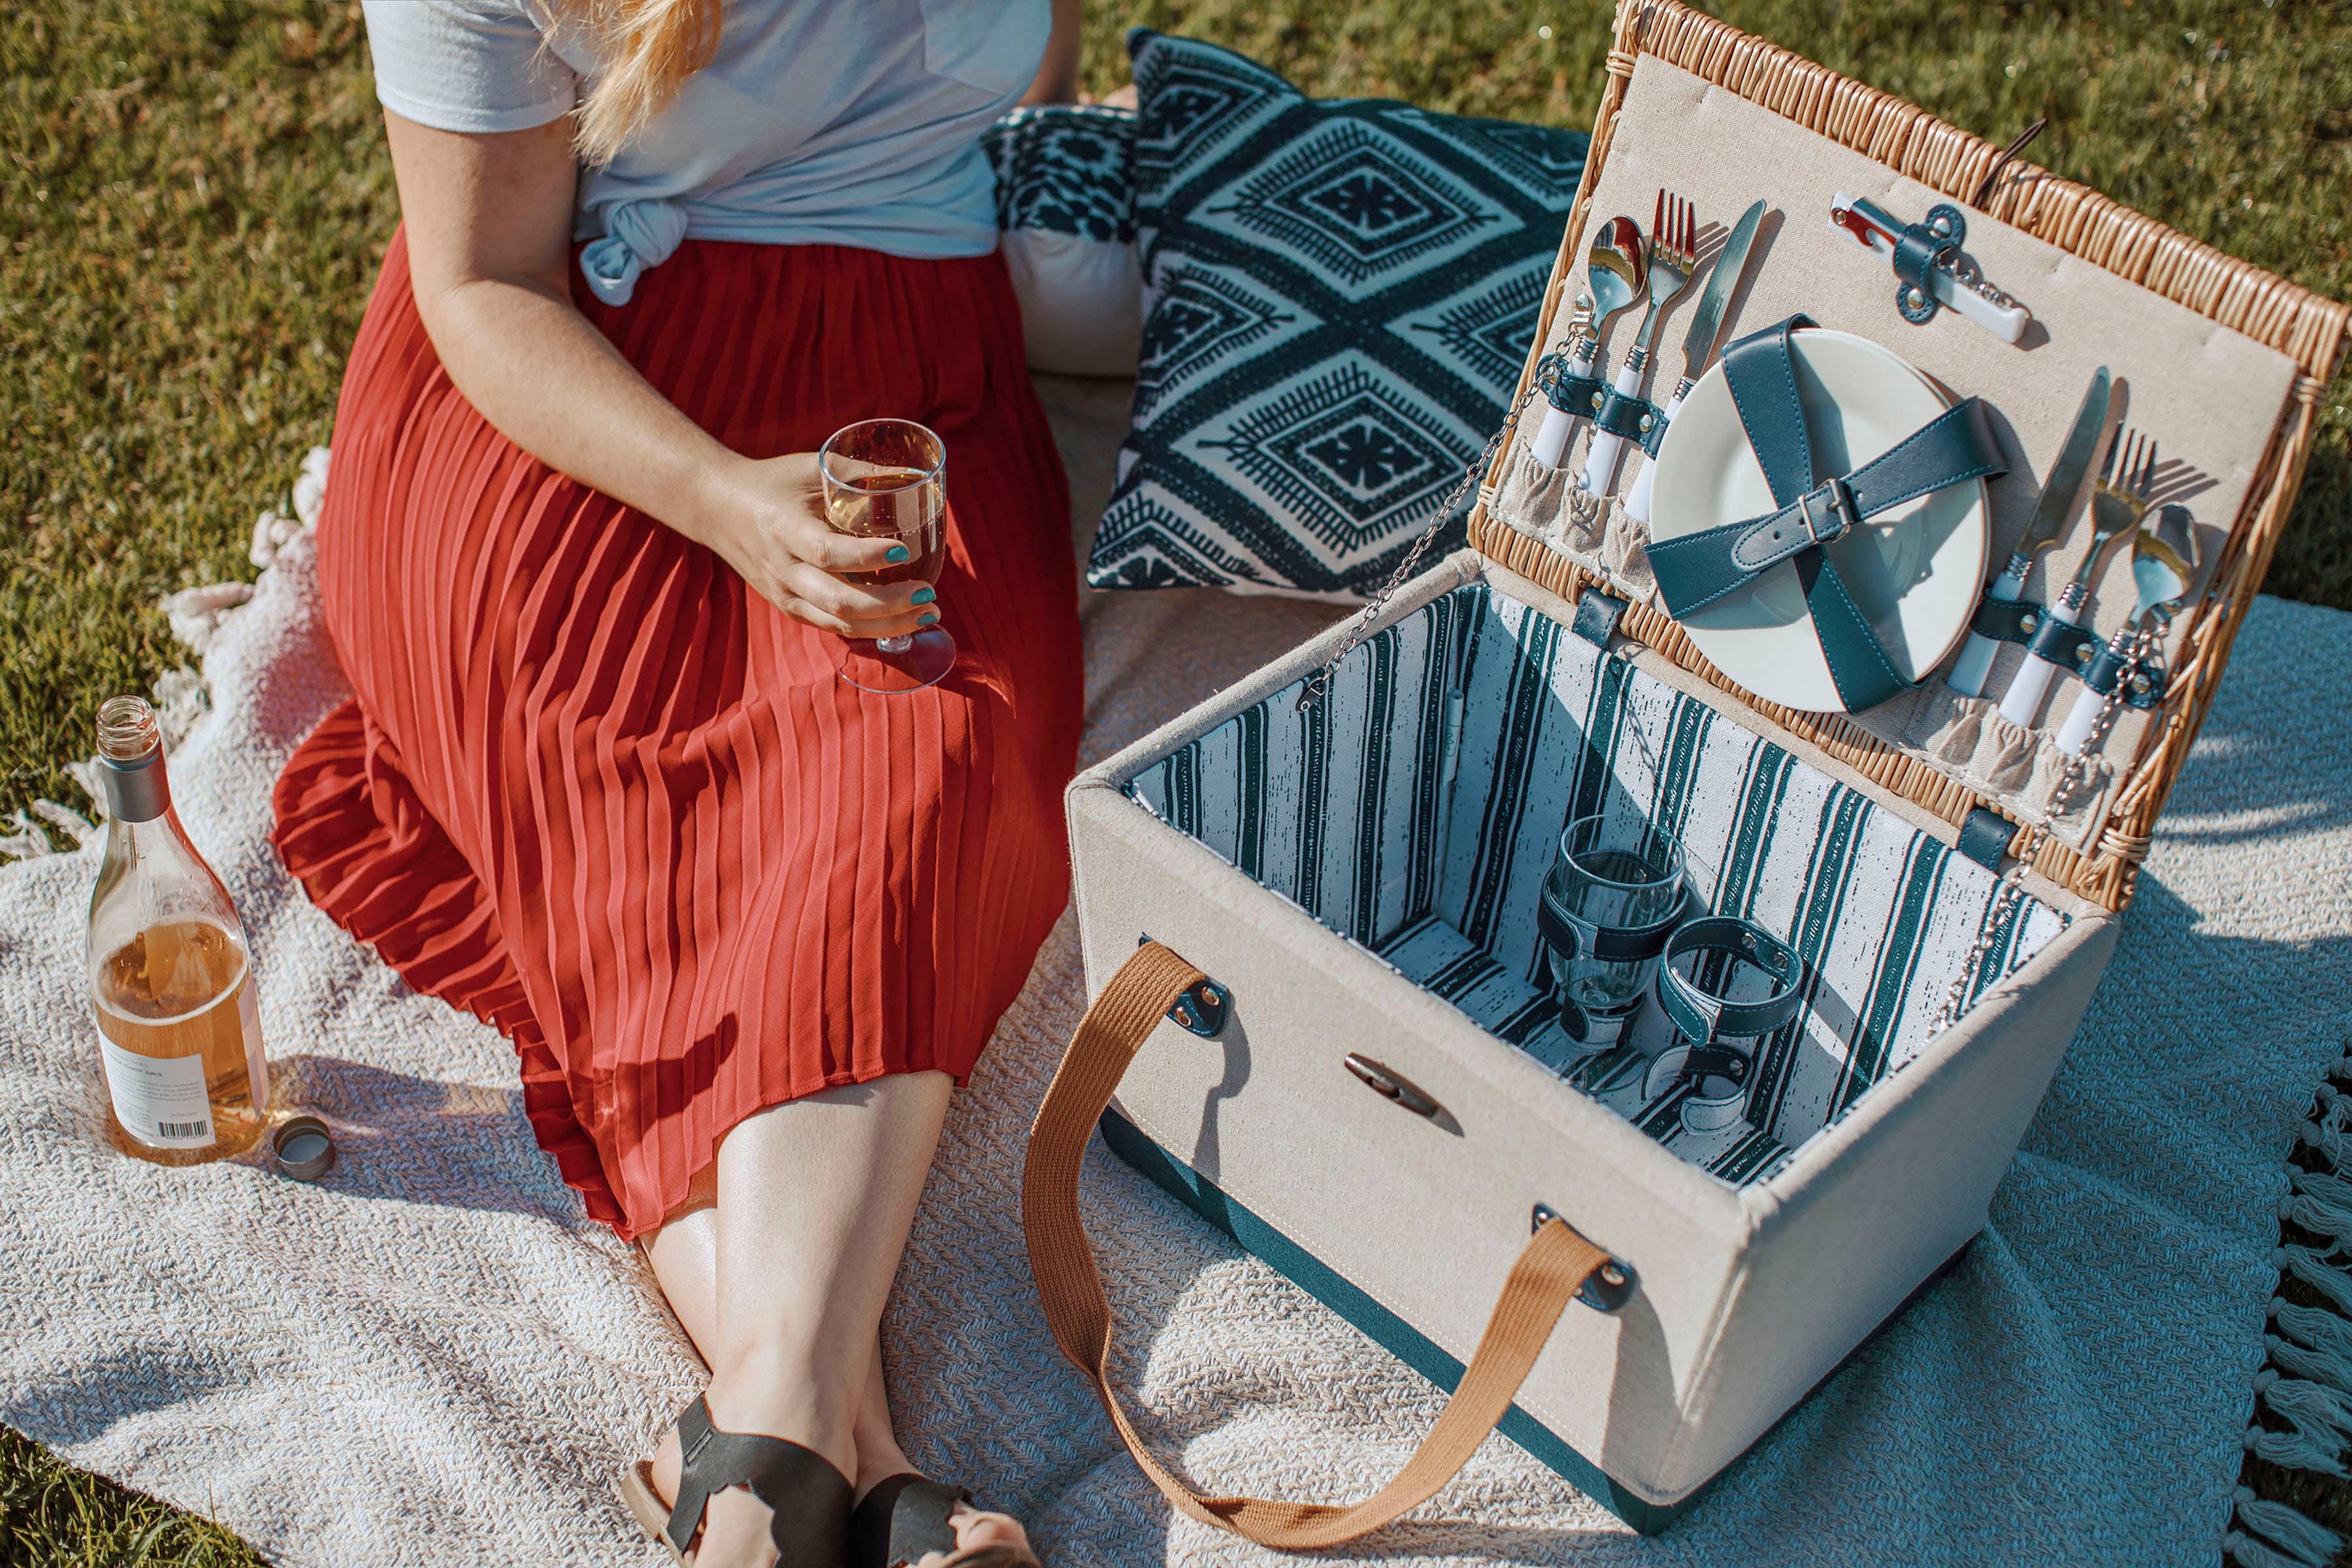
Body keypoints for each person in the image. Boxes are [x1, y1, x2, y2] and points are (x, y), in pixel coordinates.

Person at [269, 1, 1086, 1562]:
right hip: (576, 386)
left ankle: (782, 1455)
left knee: (929, 779)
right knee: (631, 801)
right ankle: (844, 1461)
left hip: (912, 369)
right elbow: (480, 283)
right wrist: (721, 501)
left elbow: (1021, 58)